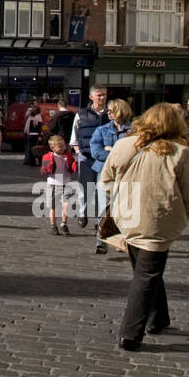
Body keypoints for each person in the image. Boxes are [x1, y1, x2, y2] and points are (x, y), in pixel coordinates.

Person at [99, 103, 189, 352]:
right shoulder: (180, 152)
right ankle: (130, 334)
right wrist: (180, 214)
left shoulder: (125, 144)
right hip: (158, 219)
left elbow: (106, 178)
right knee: (147, 273)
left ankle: (159, 318)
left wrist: (123, 196)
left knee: (147, 269)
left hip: (129, 215)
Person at [90, 98, 133, 253]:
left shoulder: (133, 131)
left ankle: (121, 240)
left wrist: (110, 150)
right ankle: (100, 242)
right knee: (104, 208)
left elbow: (136, 153)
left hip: (127, 175)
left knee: (124, 209)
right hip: (105, 173)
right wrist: (117, 155)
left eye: (111, 110)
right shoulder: (101, 130)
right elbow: (96, 152)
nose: (108, 113)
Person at [71, 87, 109, 228]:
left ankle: (100, 221)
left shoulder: (110, 114)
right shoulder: (82, 114)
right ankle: (83, 212)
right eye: (99, 95)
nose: (102, 98)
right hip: (86, 157)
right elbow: (74, 136)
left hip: (104, 158)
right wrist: (79, 152)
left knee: (103, 190)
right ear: (91, 96)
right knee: (85, 189)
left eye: (104, 95)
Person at [41, 135, 78, 236]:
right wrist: (47, 167)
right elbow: (44, 170)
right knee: (53, 206)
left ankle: (63, 223)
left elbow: (72, 167)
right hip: (53, 184)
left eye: (63, 146)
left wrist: (75, 165)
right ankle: (53, 225)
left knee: (67, 204)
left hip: (66, 183)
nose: (62, 148)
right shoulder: (48, 156)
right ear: (52, 148)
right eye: (59, 146)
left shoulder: (68, 156)